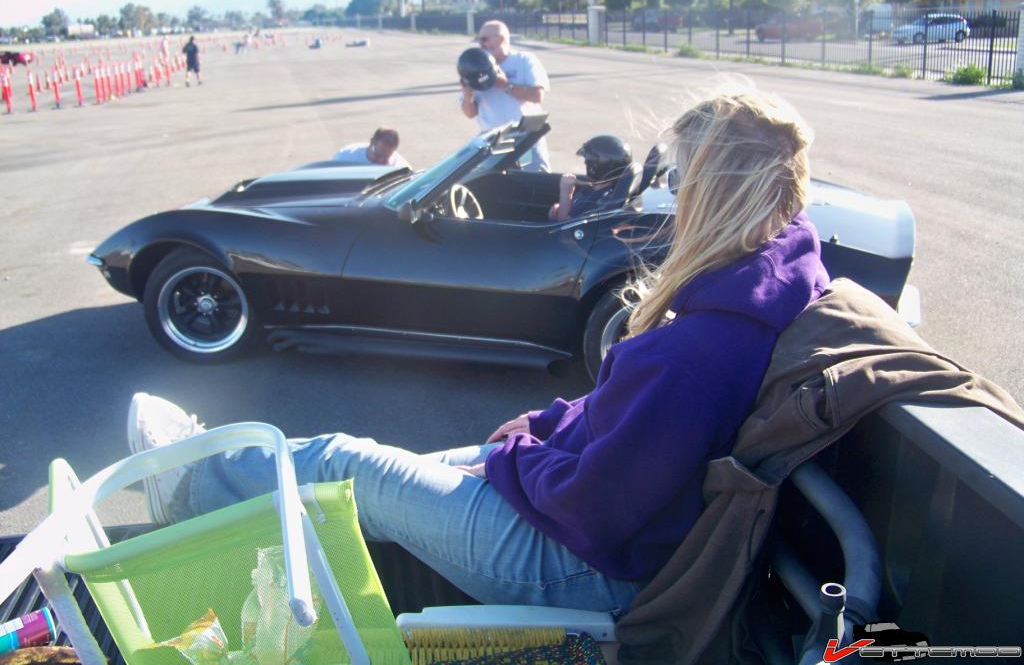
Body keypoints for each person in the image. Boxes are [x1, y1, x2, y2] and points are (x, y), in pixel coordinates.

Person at [128, 87, 828, 614]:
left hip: (578, 564)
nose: (669, 201)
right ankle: (217, 491)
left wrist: (519, 456)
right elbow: (614, 422)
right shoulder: (772, 281)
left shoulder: (697, 352)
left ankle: (188, 481)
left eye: (680, 181)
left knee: (347, 465)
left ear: (714, 194)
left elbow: (598, 507)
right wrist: (541, 427)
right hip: (595, 526)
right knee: (370, 475)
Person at [459, 20, 550, 172]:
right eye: (479, 39)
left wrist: (505, 85)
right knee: (499, 190)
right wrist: (468, 96)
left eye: (485, 39)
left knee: (536, 184)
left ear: (501, 39)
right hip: (494, 142)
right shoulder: (476, 67)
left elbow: (537, 95)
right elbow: (470, 113)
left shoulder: (524, 60)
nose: (480, 44)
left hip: (526, 137)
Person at [549, 135, 633, 221]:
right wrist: (560, 209)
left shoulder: (596, 201)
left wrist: (566, 192)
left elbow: (564, 225)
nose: (585, 163)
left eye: (588, 160)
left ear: (599, 165)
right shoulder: (600, 191)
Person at [332, 128, 408, 167]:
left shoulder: (399, 166)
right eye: (379, 156)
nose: (382, 161)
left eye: (386, 159)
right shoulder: (346, 157)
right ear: (372, 142)